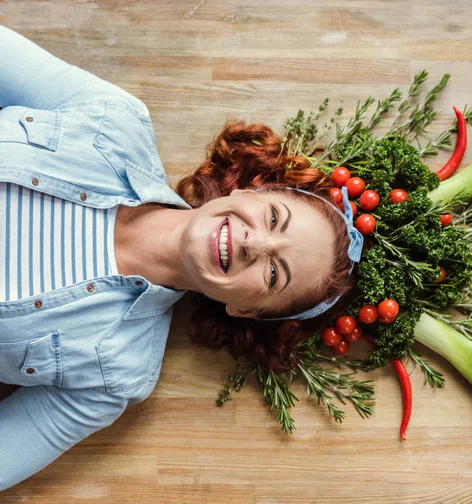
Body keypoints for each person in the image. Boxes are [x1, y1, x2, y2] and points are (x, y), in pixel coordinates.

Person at [0, 25, 362, 490]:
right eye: (274, 218)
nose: (257, 244)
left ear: (246, 310)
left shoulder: (115, 376)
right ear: (258, 189)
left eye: (275, 273)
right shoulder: (113, 123)